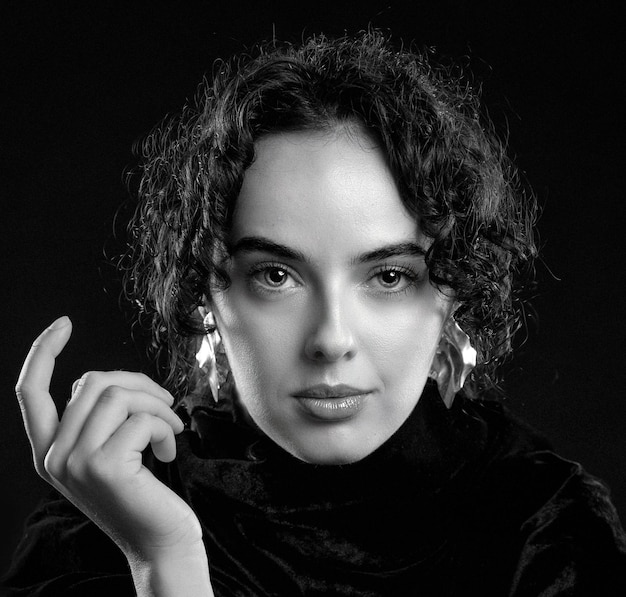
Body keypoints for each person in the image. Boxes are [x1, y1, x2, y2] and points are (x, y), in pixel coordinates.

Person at [4, 31, 626, 596]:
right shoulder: (106, 516)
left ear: (452, 292)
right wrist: (163, 560)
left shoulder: (543, 522)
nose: (331, 339)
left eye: (388, 276)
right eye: (277, 276)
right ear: (210, 293)